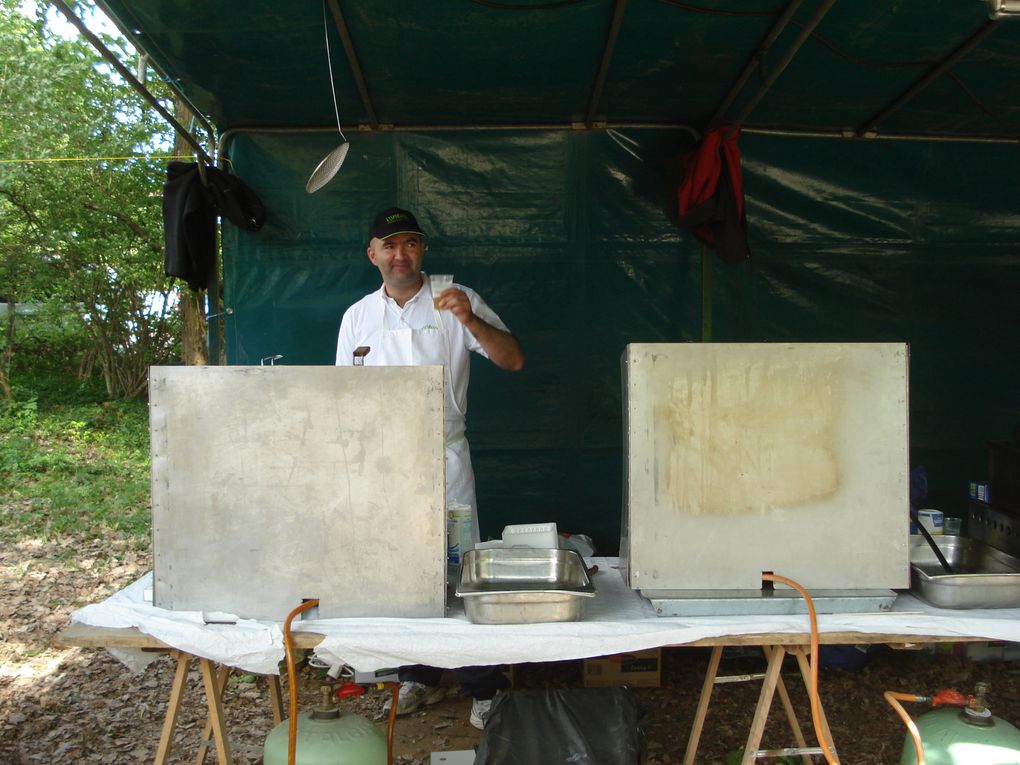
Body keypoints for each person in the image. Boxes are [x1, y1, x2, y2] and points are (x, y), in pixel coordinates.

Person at [335, 207, 524, 729]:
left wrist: (469, 319)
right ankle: (416, 674)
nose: (401, 255)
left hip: (445, 458)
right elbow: (343, 396)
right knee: (401, 570)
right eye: (389, 245)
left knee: (456, 566)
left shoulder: (454, 300)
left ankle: (482, 686)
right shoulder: (357, 317)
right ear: (372, 254)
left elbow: (513, 360)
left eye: (411, 244)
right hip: (384, 464)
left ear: (422, 251)